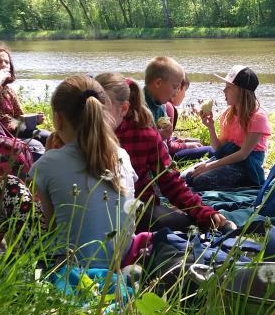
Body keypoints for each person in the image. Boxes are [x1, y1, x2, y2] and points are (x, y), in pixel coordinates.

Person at [30, 76, 142, 269]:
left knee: (9, 188)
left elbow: (47, 226)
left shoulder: (47, 164)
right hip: (119, 267)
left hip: (69, 272)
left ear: (58, 119)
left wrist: (49, 156)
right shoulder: (122, 155)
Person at [95, 72, 226, 232]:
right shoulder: (83, 133)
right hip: (96, 208)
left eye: (100, 109)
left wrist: (201, 211)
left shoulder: (145, 134)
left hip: (137, 207)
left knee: (187, 225)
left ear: (123, 108)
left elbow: (170, 181)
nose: (92, 116)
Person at [187, 65, 272, 192]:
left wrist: (210, 166)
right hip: (227, 159)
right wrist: (211, 127)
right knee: (187, 177)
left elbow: (243, 154)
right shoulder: (228, 113)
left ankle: (246, 184)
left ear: (241, 91)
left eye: (228, 87)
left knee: (201, 181)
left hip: (246, 166)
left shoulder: (258, 117)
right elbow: (218, 149)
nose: (224, 91)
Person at [0, 46, 50, 143]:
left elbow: (18, 117)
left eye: (7, 62)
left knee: (51, 137)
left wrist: (35, 119)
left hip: (14, 133)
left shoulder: (8, 90)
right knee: (42, 140)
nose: (4, 65)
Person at [164, 77, 212, 160]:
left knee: (195, 141)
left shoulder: (161, 103)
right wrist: (186, 146)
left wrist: (183, 141)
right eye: (185, 90)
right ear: (178, 89)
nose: (185, 95)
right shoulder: (168, 107)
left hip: (159, 151)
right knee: (211, 150)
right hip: (165, 157)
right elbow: (168, 147)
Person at [143, 56, 185, 136]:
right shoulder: (139, 107)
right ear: (158, 83)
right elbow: (139, 142)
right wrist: (159, 136)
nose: (176, 93)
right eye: (175, 87)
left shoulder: (161, 106)